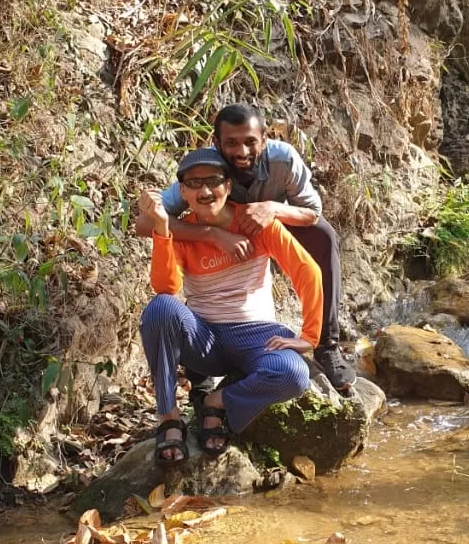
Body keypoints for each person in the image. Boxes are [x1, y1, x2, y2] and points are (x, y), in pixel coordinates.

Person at [135, 147, 323, 465]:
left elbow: (307, 270)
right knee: (161, 308)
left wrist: (310, 336)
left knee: (294, 374)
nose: (205, 191)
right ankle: (168, 416)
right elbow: (166, 287)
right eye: (194, 184)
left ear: (228, 185)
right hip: (205, 340)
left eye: (214, 181)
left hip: (256, 336)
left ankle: (216, 402)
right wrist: (163, 229)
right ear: (182, 190)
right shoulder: (182, 232)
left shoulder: (254, 223)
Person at [161, 103, 356, 391]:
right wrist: (211, 235)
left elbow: (313, 212)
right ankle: (200, 363)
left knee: (323, 236)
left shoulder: (284, 159)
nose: (241, 152)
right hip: (221, 236)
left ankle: (326, 345)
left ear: (264, 139)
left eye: (250, 142)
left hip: (274, 223)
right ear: (217, 143)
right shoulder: (204, 172)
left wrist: (272, 209)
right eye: (231, 143)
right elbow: (150, 222)